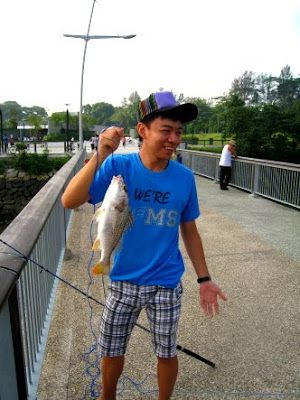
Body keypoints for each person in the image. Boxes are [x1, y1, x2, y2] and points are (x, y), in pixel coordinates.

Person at [61, 91, 227, 400]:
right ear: (143, 130)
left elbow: (189, 230)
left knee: (166, 351)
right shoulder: (117, 168)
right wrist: (99, 154)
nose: (174, 138)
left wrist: (204, 279)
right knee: (111, 349)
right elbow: (70, 201)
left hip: (166, 283)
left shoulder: (184, 178)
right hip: (123, 280)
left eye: (178, 131)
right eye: (166, 130)